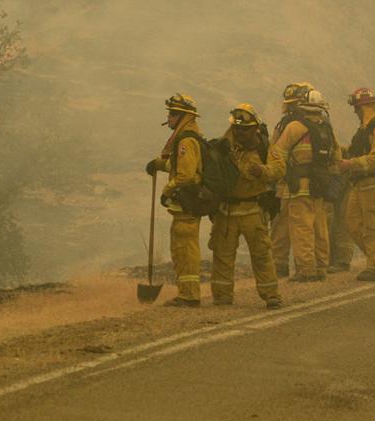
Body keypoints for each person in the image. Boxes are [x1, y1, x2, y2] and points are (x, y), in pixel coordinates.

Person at [253, 83, 339, 282]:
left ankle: (305, 269)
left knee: (301, 227)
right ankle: (320, 267)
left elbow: (277, 154)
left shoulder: (293, 127)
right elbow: (336, 157)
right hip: (319, 186)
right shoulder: (326, 127)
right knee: (320, 226)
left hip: (296, 187)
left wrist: (267, 174)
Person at [207, 104, 283, 309]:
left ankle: (271, 295)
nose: (240, 132)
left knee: (261, 254)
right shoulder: (222, 146)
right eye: (237, 128)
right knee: (222, 254)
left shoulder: (264, 146)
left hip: (252, 210)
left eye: (245, 128)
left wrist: (263, 171)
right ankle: (222, 296)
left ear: (254, 128)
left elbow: (279, 168)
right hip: (227, 211)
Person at [145, 93, 205, 307]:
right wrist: (157, 164)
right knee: (181, 249)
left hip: (186, 207)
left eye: (173, 114)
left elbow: (186, 175)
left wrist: (167, 190)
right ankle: (187, 293)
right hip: (184, 208)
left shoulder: (186, 140)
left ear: (184, 117)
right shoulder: (187, 138)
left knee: (185, 250)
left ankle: (189, 296)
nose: (169, 118)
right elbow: (178, 165)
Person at [339, 87, 375, 281]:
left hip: (374, 182)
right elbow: (355, 150)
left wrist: (351, 164)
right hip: (359, 182)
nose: (355, 112)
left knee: (373, 226)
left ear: (365, 106)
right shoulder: (365, 128)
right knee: (352, 222)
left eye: (357, 108)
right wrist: (338, 152)